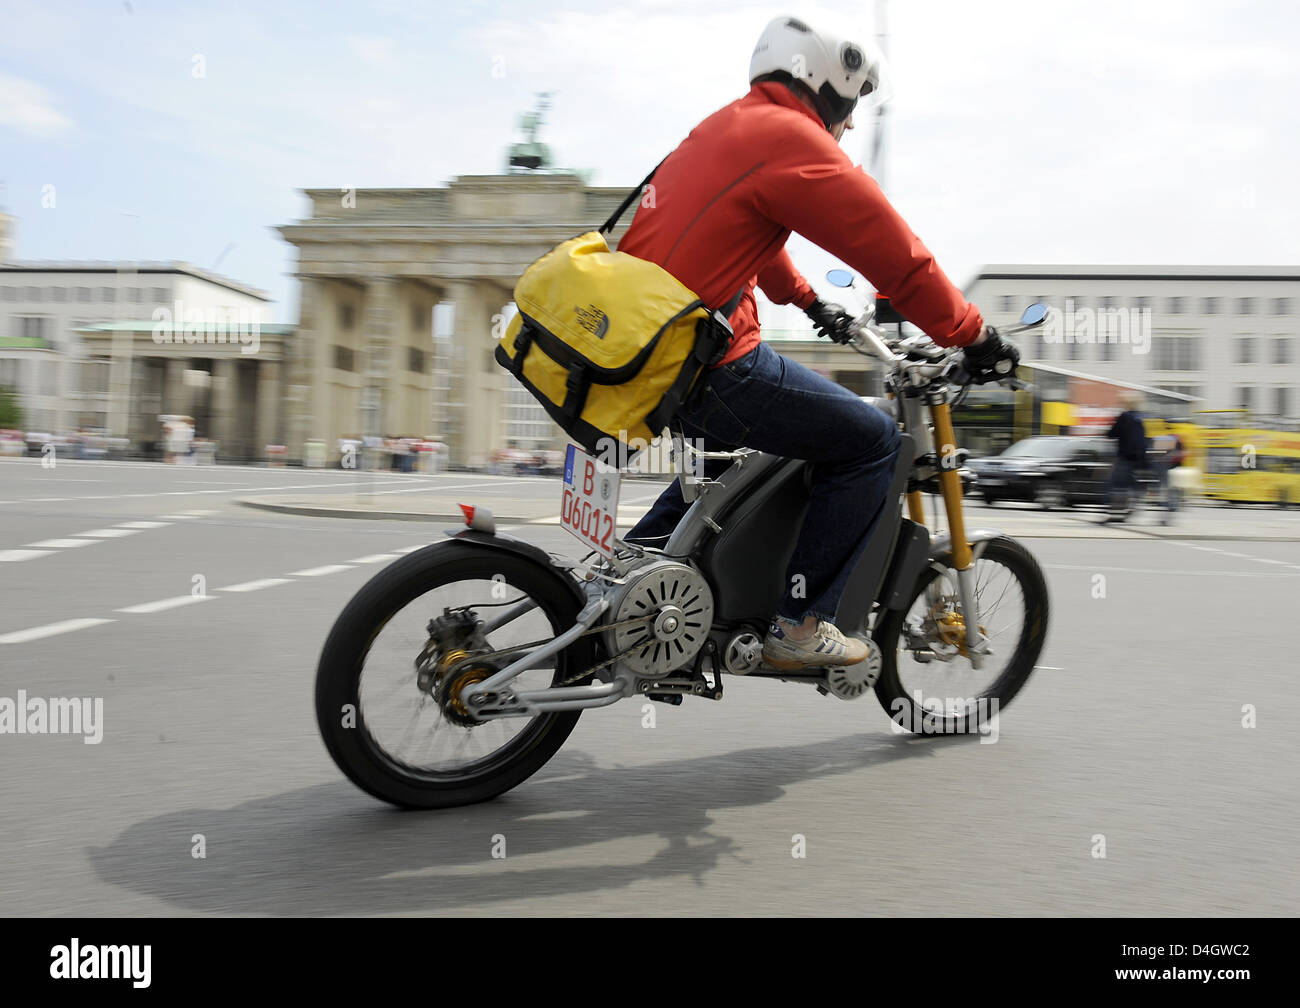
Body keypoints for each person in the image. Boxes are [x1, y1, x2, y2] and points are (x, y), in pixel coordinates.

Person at [621, 15, 1018, 671]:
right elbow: (898, 260)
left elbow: (757, 247)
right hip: (709, 361)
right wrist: (975, 335)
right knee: (873, 444)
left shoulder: (729, 127)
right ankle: (801, 624)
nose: (853, 122)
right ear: (825, 85)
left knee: (737, 456)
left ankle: (634, 585)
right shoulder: (794, 140)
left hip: (649, 351)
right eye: (853, 101)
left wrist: (810, 302)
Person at [1101, 392, 1148, 523]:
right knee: (1129, 486)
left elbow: (1111, 434)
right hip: (1138, 460)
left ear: (1126, 403)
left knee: (1113, 486)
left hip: (1124, 458)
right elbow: (1144, 441)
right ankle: (1130, 507)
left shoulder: (1124, 416)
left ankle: (1114, 514)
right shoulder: (1140, 418)